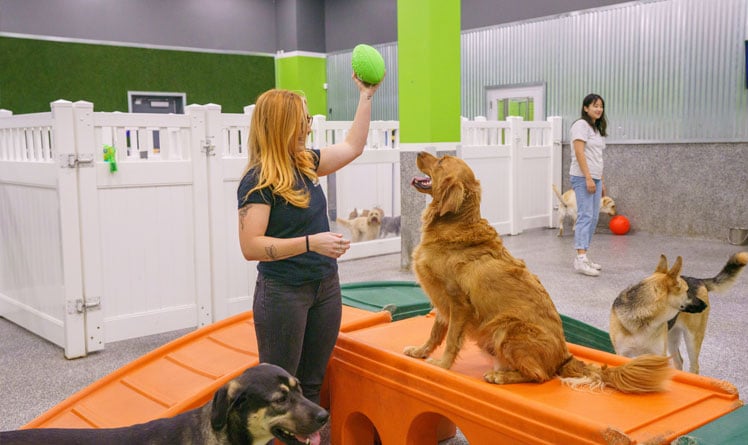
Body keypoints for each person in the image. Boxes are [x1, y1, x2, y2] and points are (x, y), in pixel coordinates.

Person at [236, 73, 382, 411]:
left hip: (325, 287)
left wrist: (366, 96)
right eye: (304, 120)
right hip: (284, 293)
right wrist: (310, 243)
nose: (310, 127)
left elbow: (353, 147)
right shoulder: (258, 181)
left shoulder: (306, 163)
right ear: (284, 125)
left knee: (312, 384)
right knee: (280, 393)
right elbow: (251, 246)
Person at [569, 93, 608, 277]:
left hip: (595, 177)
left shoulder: (596, 128)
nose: (598, 109)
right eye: (595, 106)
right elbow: (579, 153)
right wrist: (588, 178)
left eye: (600, 106)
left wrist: (600, 179)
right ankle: (580, 258)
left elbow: (597, 157)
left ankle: (584, 254)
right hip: (582, 177)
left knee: (593, 218)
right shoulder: (580, 126)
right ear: (586, 108)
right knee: (585, 216)